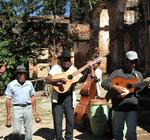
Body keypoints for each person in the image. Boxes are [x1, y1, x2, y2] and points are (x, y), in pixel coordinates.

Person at [45, 49, 90, 140]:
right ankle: (58, 138)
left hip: (69, 99)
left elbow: (80, 79)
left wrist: (87, 71)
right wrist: (59, 80)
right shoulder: (56, 68)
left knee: (70, 121)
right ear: (60, 60)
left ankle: (69, 137)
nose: (67, 62)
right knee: (57, 121)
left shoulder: (73, 69)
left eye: (69, 60)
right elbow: (47, 79)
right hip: (57, 99)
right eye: (65, 60)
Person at [101, 51, 143, 140]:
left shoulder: (138, 75)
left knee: (131, 133)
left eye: (135, 62)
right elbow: (104, 83)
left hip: (132, 107)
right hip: (118, 108)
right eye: (131, 62)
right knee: (117, 133)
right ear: (126, 61)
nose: (133, 64)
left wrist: (146, 86)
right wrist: (115, 87)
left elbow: (141, 90)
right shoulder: (117, 73)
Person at [5, 64, 39, 140]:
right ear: (17, 75)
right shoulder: (11, 85)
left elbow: (32, 97)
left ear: (26, 75)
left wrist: (34, 111)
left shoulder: (29, 84)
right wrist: (8, 114)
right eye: (20, 74)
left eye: (24, 74)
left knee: (29, 130)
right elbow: (8, 99)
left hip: (28, 108)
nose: (22, 76)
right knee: (16, 131)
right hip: (17, 108)